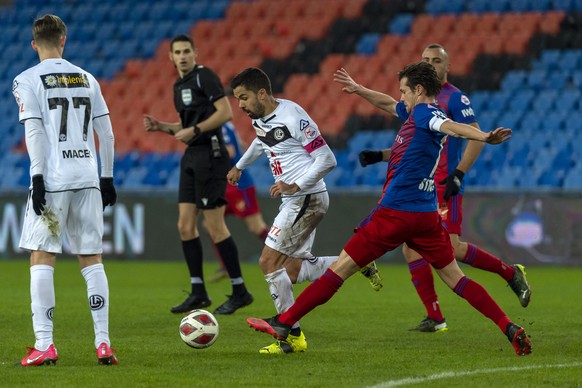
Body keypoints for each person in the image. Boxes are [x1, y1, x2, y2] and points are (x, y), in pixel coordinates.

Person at [247, 61, 532, 357]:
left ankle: (285, 322)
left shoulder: (425, 112)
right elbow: (389, 104)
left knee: (341, 269)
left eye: (404, 92)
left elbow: (450, 127)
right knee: (455, 278)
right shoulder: (417, 112)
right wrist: (359, 90)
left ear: (419, 90)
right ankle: (509, 327)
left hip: (395, 213)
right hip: (426, 215)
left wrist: (482, 135)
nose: (401, 98)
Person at [342, 43, 531, 333]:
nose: (430, 64)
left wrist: (458, 173)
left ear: (447, 66)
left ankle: (509, 272)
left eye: (436, 60)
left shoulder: (455, 98)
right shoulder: (416, 100)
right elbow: (391, 111)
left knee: (451, 249)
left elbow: (475, 136)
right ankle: (435, 316)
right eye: (425, 60)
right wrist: (359, 90)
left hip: (442, 184)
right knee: (410, 249)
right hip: (418, 189)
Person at [228, 67, 383, 355]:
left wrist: (294, 185)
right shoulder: (260, 118)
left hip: (305, 198)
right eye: (238, 99)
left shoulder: (293, 117)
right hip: (297, 199)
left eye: (244, 97)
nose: (241, 105)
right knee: (292, 270)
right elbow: (261, 142)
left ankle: (290, 335)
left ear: (262, 93)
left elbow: (327, 159)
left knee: (267, 262)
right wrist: (239, 166)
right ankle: (357, 261)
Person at [12, 14, 118, 366]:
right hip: (88, 177)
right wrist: (108, 178)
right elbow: (107, 132)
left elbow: (36, 133)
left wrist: (38, 178)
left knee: (42, 256)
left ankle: (45, 344)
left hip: (54, 181)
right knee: (91, 258)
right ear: (63, 40)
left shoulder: (26, 79)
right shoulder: (87, 78)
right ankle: (103, 343)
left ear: (33, 43)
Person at [143, 35, 253, 315]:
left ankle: (240, 290)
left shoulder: (206, 77)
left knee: (215, 227)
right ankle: (198, 292)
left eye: (186, 51)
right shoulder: (179, 85)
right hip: (192, 157)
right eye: (177, 52)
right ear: (170, 57)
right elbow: (185, 123)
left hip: (212, 155)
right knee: (184, 225)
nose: (182, 56)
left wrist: (195, 131)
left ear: (195, 53)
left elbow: (225, 112)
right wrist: (161, 126)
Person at [205, 121, 270, 282]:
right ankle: (226, 266)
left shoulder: (217, 126)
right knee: (211, 224)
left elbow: (231, 151)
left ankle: (289, 255)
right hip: (225, 186)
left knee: (256, 227)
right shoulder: (226, 125)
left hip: (239, 185)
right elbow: (241, 143)